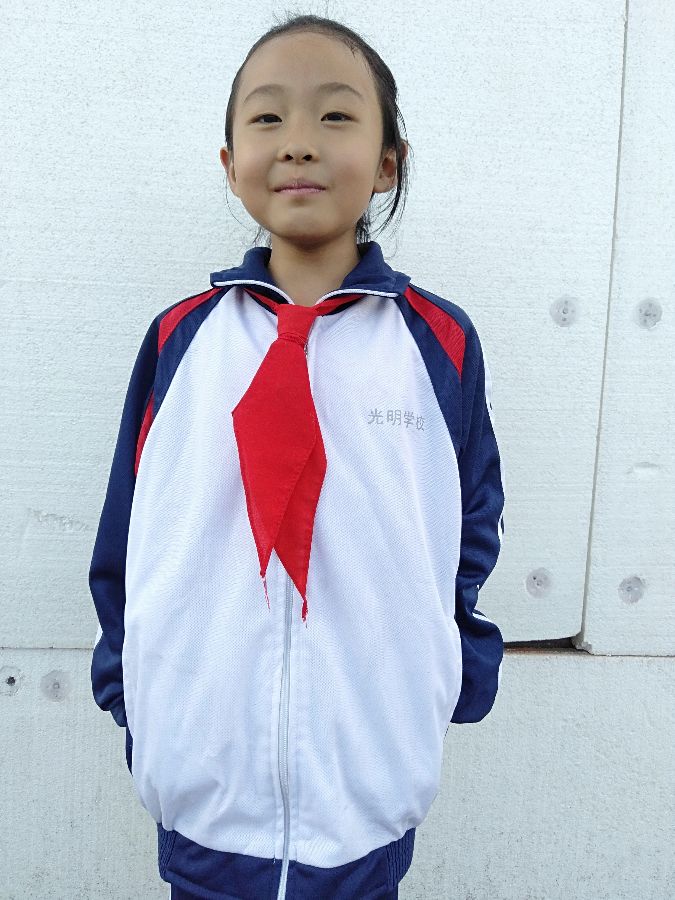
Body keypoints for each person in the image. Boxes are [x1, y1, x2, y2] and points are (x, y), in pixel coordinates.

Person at [88, 13, 506, 900]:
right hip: (203, 786)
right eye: (268, 117)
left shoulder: (436, 344)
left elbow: (468, 523)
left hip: (365, 789)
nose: (298, 143)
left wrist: (441, 679)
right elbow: (129, 529)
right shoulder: (180, 340)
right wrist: (138, 699)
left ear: (388, 162)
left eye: (336, 116)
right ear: (229, 160)